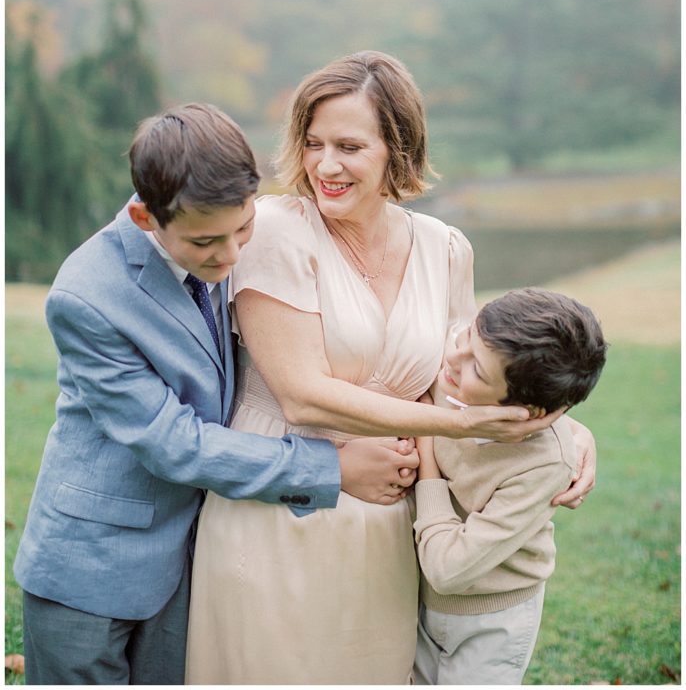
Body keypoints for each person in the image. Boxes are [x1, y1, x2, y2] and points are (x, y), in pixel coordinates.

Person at [185, 52, 597, 685]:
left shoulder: (445, 247)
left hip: (391, 525)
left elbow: (463, 379)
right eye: (313, 142)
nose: (325, 165)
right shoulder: (276, 231)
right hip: (281, 507)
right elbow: (303, 397)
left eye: (350, 146)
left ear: (396, 150)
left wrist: (564, 431)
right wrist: (453, 429)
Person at [13, 102, 417, 686]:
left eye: (244, 229)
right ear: (145, 217)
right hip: (92, 568)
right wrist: (332, 467)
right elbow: (173, 443)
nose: (230, 257)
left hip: (195, 560)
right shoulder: (86, 297)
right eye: (207, 242)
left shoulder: (226, 236)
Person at [413, 287, 608, 686]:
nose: (452, 359)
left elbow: (448, 570)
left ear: (526, 413)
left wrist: (427, 467)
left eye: (477, 371)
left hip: (492, 621)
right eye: (466, 337)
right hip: (419, 604)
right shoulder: (454, 376)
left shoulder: (542, 465)